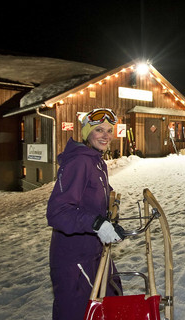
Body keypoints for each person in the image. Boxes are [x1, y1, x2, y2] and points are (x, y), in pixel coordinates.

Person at [47, 108, 124, 320]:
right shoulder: (79, 162)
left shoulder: (95, 160)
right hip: (75, 257)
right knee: (79, 312)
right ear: (86, 133)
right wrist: (97, 223)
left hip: (93, 250)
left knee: (111, 298)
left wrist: (110, 215)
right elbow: (58, 212)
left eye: (109, 130)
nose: (106, 135)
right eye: (99, 129)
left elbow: (99, 194)